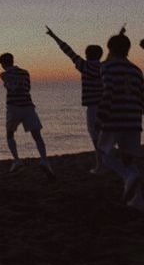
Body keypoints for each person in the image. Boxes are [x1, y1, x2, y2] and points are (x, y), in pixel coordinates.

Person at [45, 23, 125, 173]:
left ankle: (100, 165)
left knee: (95, 138)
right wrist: (120, 35)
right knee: (106, 133)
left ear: (87, 55)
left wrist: (53, 36)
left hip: (93, 107)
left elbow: (67, 51)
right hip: (108, 105)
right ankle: (110, 159)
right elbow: (111, 54)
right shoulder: (104, 65)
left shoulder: (84, 65)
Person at [95, 32, 144, 212]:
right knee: (128, 159)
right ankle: (138, 202)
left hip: (114, 117)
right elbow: (141, 96)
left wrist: (101, 116)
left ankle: (128, 177)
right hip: (133, 119)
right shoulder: (136, 70)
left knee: (104, 154)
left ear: (109, 49)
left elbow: (108, 91)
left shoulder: (107, 67)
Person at [0, 53, 54, 176]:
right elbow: (27, 88)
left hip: (13, 107)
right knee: (37, 135)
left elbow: (11, 87)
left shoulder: (4, 74)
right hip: (28, 105)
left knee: (9, 134)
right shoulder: (25, 72)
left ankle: (17, 160)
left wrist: (10, 84)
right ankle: (44, 160)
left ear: (3, 64)